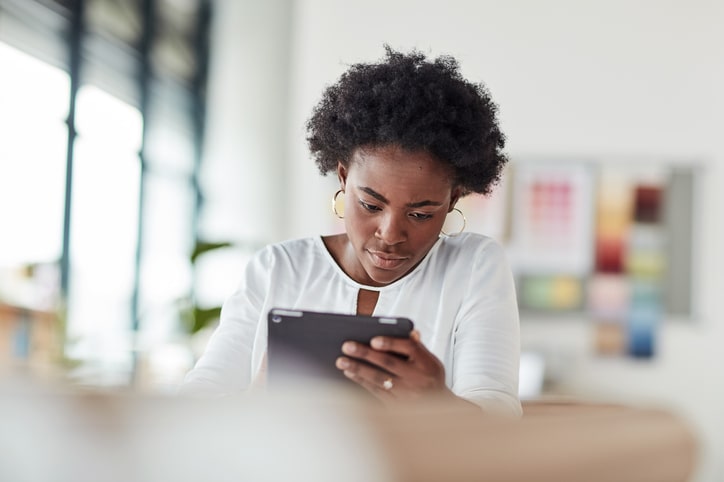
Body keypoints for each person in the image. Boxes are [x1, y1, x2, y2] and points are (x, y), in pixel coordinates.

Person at [181, 46, 522, 416]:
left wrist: (438, 401)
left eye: (421, 214)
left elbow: (499, 412)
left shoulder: (473, 267)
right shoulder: (278, 269)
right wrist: (258, 398)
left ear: (454, 198)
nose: (391, 234)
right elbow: (197, 404)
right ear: (343, 177)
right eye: (371, 205)